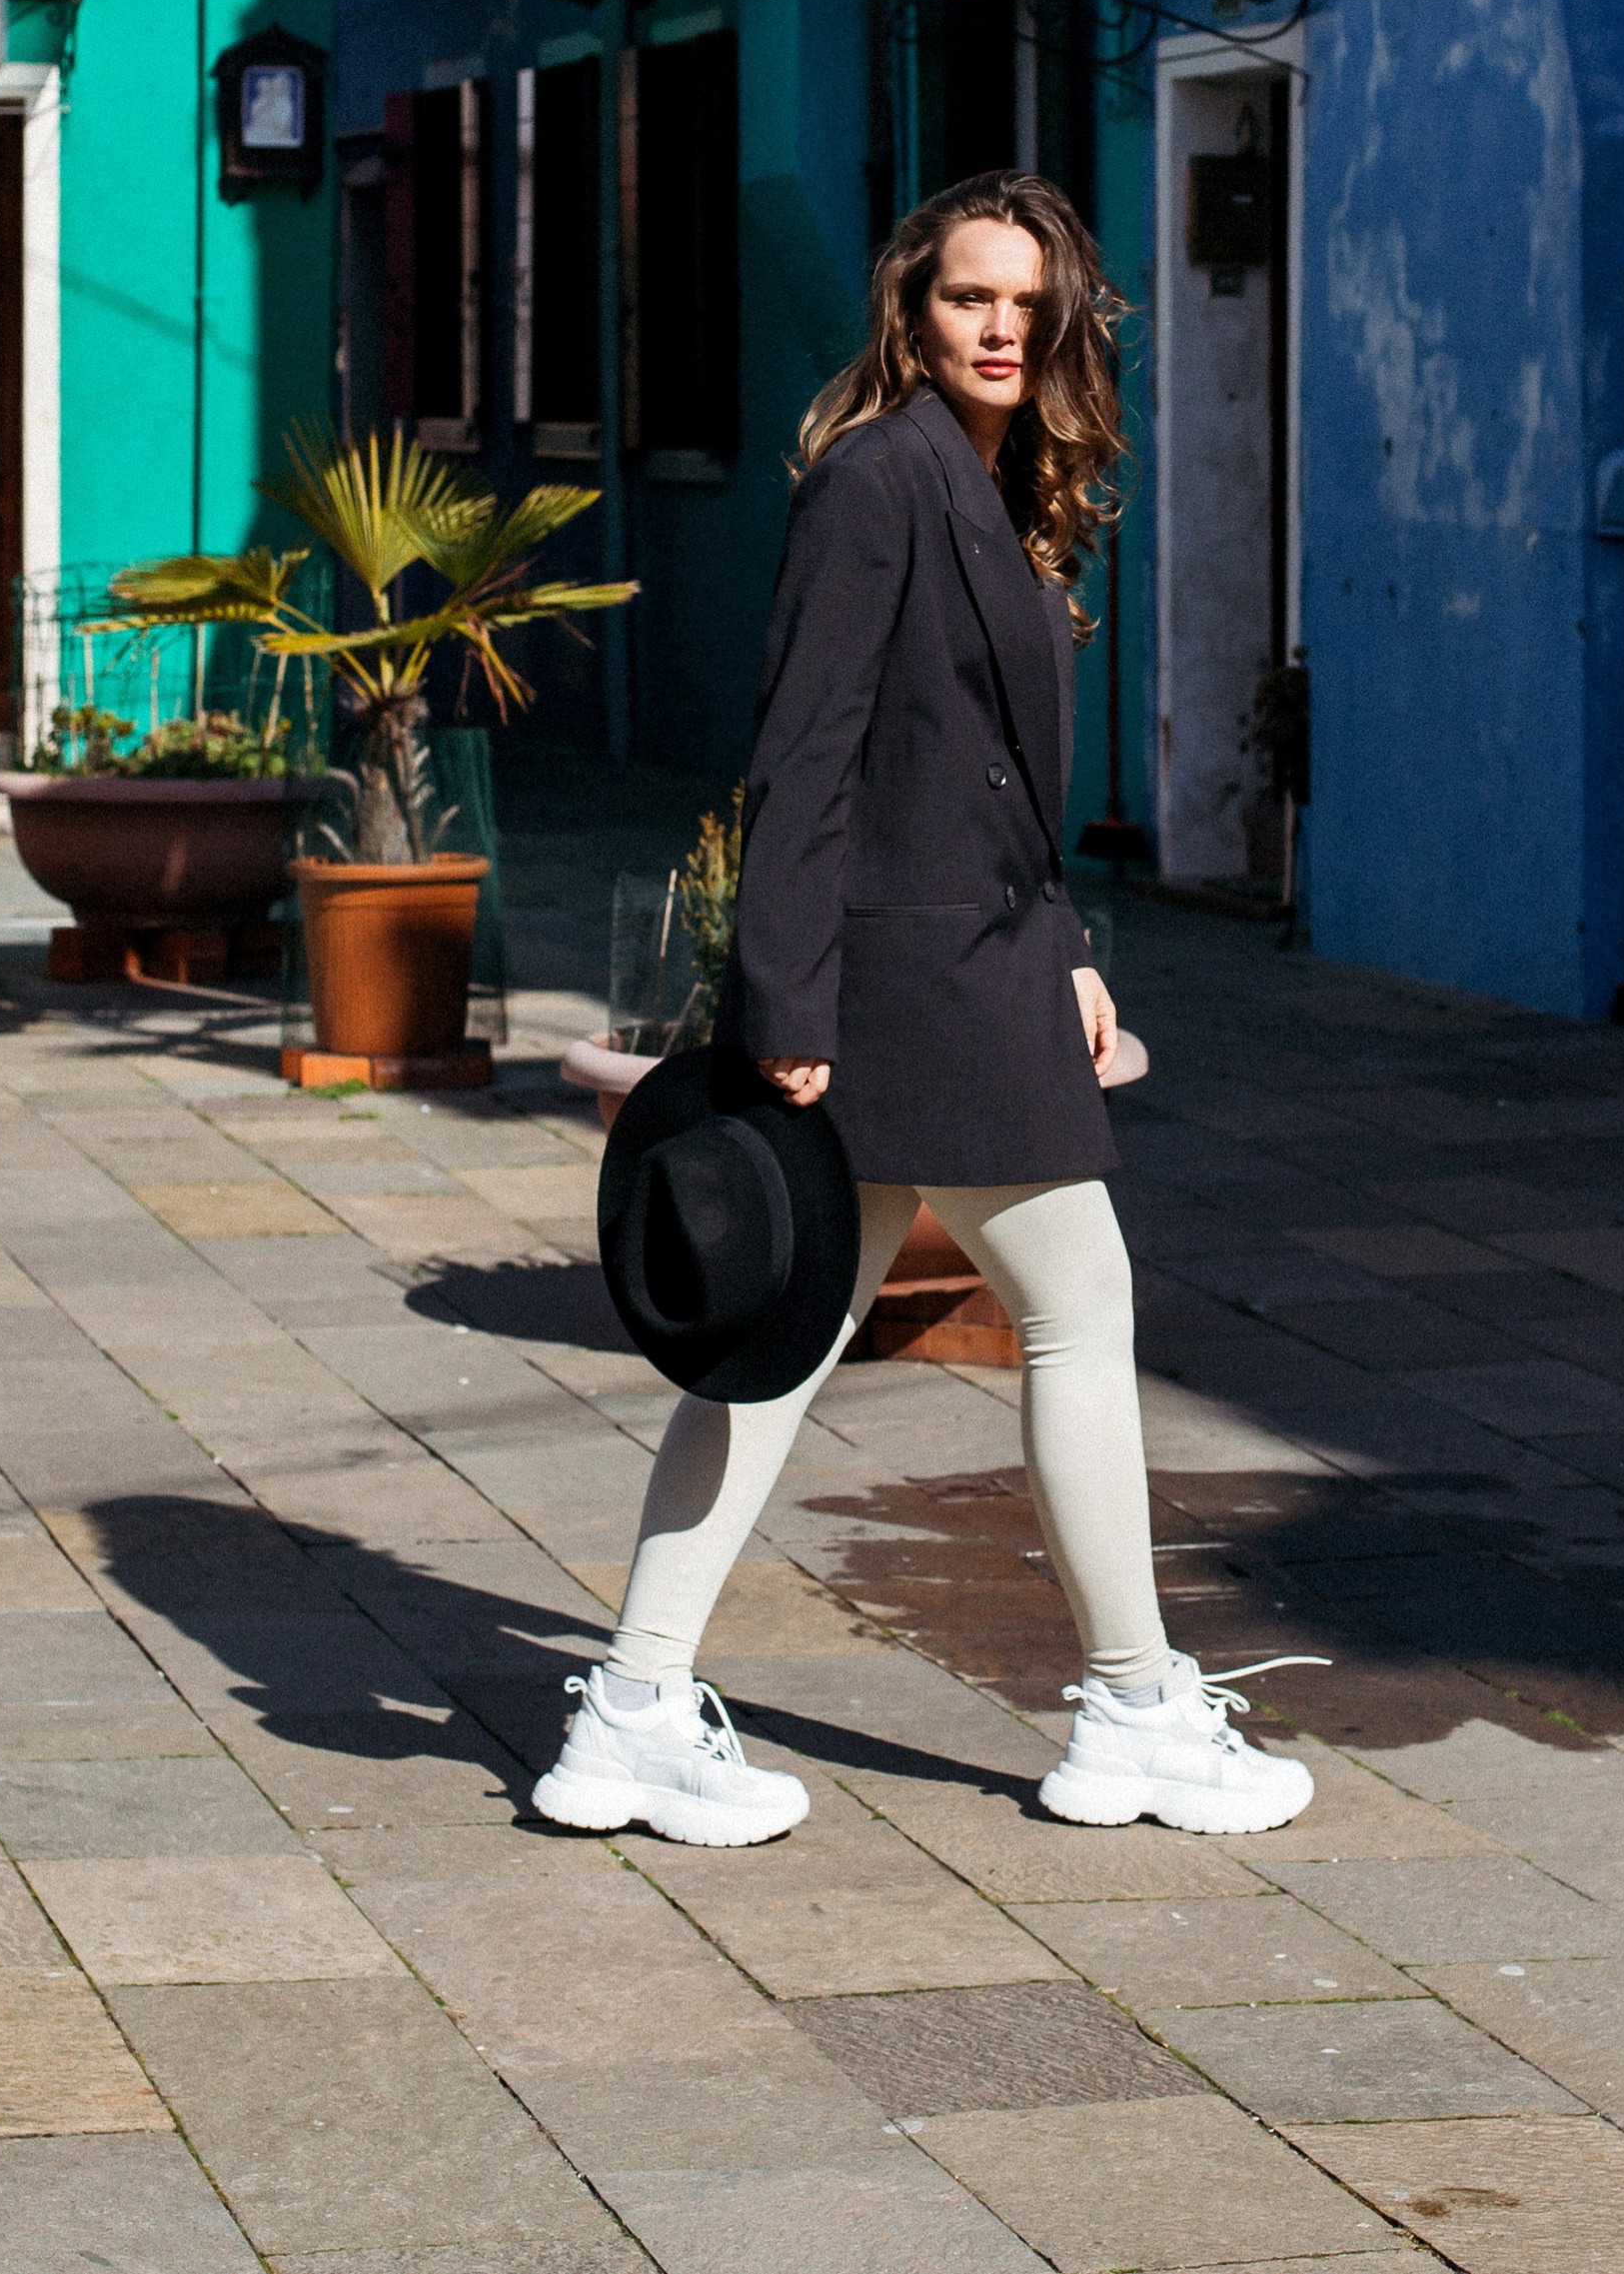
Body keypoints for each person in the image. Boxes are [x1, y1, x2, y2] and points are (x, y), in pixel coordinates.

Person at [536, 170, 1315, 1849]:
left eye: (1030, 304)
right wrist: (781, 998)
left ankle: (633, 1707)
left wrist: (1073, 946)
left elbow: (981, 779)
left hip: (968, 958)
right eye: (974, 296)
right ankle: (1131, 1708)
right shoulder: (880, 480)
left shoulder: (983, 478)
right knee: (1076, 1307)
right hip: (909, 985)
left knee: (782, 1335)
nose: (1003, 327)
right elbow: (804, 751)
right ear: (917, 307)